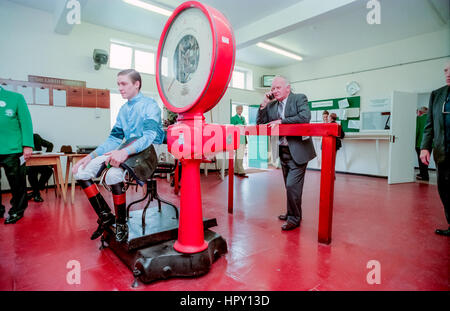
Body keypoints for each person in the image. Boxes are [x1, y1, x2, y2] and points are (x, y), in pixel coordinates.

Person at [73, 69, 164, 242]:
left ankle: (121, 223)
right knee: (80, 171)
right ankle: (106, 215)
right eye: (118, 84)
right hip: (126, 149)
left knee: (113, 175)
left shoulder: (150, 105)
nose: (120, 88)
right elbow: (114, 139)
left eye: (124, 84)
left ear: (136, 84)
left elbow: (149, 137)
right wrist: (91, 156)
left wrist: (124, 151)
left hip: (146, 152)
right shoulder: (123, 109)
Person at [257, 76, 316, 231]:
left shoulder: (299, 98)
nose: (275, 91)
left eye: (278, 87)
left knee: (291, 185)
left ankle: (294, 218)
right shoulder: (271, 106)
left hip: (298, 151)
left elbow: (305, 117)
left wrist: (281, 122)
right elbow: (260, 124)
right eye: (273, 88)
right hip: (282, 151)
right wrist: (264, 104)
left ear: (287, 88)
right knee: (290, 187)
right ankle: (292, 212)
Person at [420, 61, 450, 237]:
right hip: (443, 151)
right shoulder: (437, 95)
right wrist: (425, 147)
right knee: (444, 189)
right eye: (446, 70)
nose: (447, 73)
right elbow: (429, 124)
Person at [0, 85, 34, 224]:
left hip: (13, 148)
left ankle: (17, 210)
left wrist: (27, 145)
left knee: (17, 182)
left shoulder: (16, 98)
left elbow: (26, 122)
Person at [26, 133, 54, 202]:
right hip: (27, 165)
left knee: (49, 170)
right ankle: (36, 194)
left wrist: (46, 156)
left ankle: (35, 192)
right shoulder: (21, 139)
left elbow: (50, 145)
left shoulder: (36, 137)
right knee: (32, 171)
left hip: (37, 163)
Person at [230, 105, 248, 178]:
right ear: (236, 110)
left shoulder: (243, 118)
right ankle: (241, 171)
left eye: (241, 109)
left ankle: (236, 170)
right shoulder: (233, 118)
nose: (240, 110)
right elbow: (231, 128)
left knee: (239, 155)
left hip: (243, 138)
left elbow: (245, 127)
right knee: (239, 155)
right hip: (237, 138)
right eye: (239, 109)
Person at [415, 107, 429, 181]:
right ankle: (423, 174)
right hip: (430, 143)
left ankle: (424, 176)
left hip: (420, 143)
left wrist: (413, 142)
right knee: (426, 160)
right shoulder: (431, 119)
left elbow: (417, 131)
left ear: (420, 112)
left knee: (421, 160)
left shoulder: (419, 118)